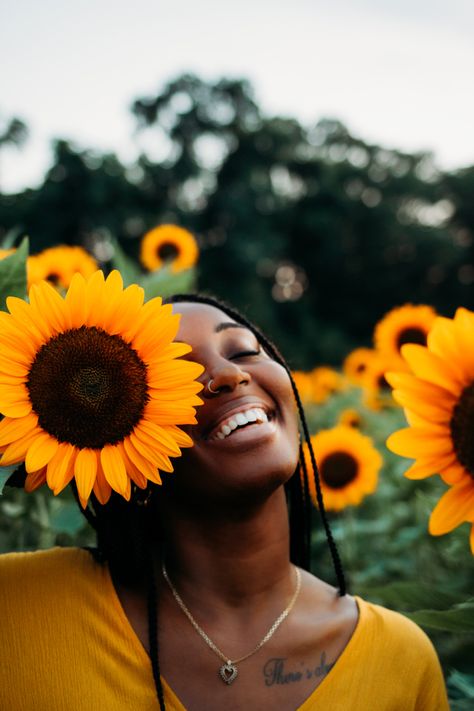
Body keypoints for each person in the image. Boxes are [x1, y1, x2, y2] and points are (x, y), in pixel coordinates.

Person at [0, 294, 450, 711]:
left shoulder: (401, 661)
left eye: (242, 350)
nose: (230, 375)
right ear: (119, 433)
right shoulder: (16, 610)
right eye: (180, 376)